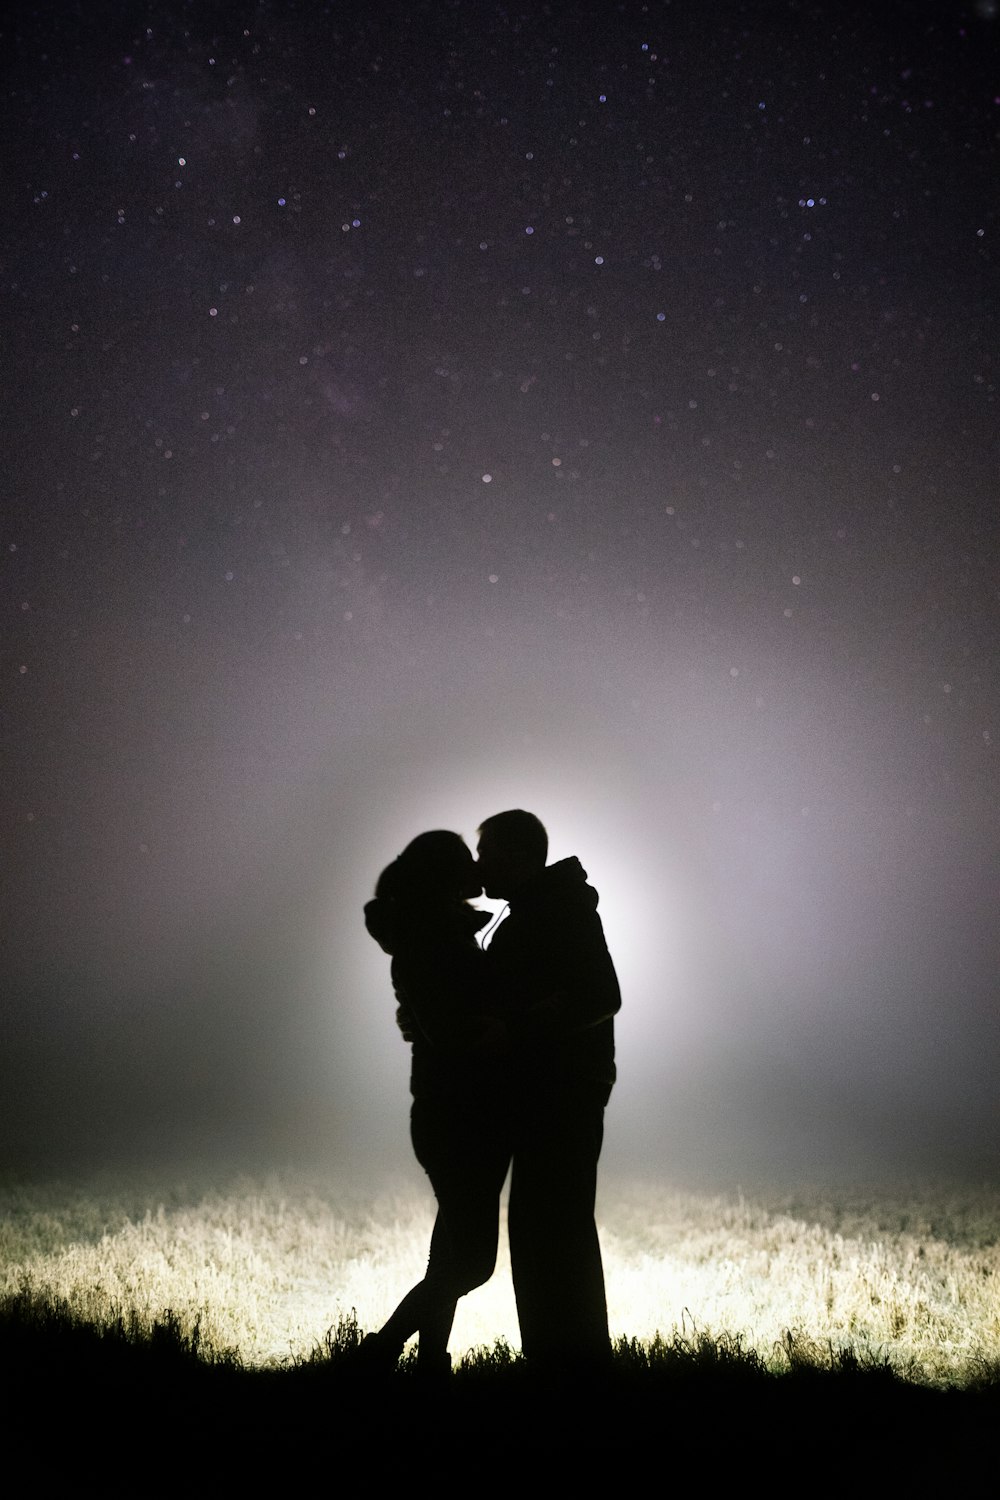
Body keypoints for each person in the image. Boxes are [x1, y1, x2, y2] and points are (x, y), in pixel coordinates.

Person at [476, 809, 620, 1371]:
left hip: (559, 1095)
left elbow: (600, 994)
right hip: (557, 1093)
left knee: (549, 1230)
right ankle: (569, 1362)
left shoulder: (556, 912)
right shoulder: (546, 910)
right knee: (550, 1229)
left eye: (486, 852)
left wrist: (516, 1029)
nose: (479, 862)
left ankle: (566, 1366)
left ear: (515, 856)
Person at [361, 831, 510, 1374]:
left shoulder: (435, 936)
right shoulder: (434, 942)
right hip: (460, 1115)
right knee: (472, 1263)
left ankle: (430, 1367)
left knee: (449, 1252)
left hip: (452, 1112)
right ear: (445, 877)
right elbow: (450, 1029)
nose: (477, 865)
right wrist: (507, 1028)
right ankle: (378, 1351)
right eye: (466, 859)